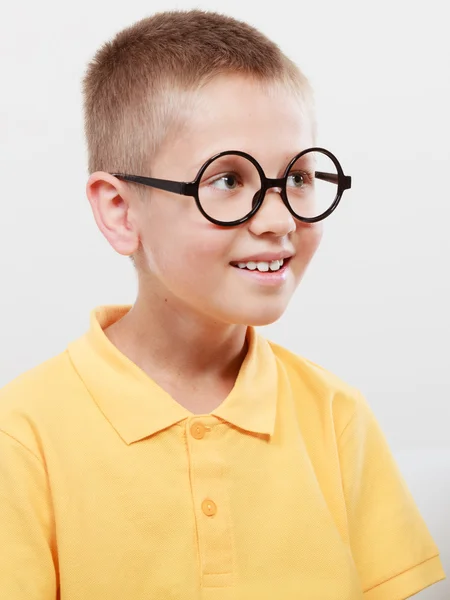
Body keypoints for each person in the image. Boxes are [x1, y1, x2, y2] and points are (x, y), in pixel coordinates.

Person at [0, 9, 445, 600]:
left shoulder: (337, 417)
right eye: (229, 181)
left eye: (299, 178)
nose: (280, 219)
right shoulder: (23, 436)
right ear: (119, 210)